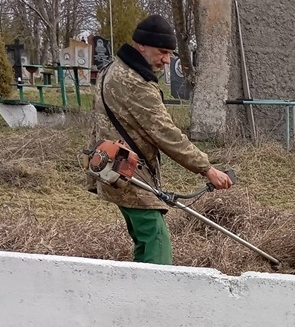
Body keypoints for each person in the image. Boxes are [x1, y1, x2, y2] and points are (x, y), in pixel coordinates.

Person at [87, 14, 233, 264]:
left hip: (111, 165)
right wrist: (206, 168)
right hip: (127, 172)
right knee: (156, 239)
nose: (166, 60)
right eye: (162, 52)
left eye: (169, 54)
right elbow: (166, 133)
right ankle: (156, 296)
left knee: (144, 238)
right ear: (141, 45)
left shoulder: (111, 69)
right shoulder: (135, 83)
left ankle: (140, 288)